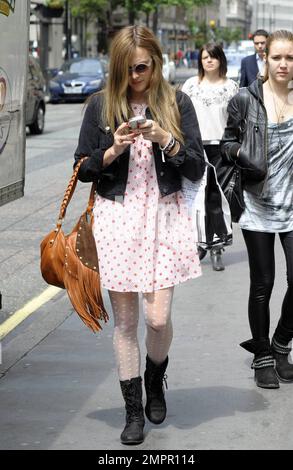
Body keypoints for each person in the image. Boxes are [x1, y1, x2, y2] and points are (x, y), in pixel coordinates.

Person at [74, 25, 205, 444]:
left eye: (142, 68)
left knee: (157, 317)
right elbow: (82, 169)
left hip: (164, 218)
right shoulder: (100, 105)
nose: (135, 77)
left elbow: (197, 167)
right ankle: (134, 413)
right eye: (127, 70)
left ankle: (155, 377)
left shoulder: (175, 101)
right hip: (118, 220)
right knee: (127, 322)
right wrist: (112, 149)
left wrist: (166, 139)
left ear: (156, 62)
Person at [221, 30, 293, 389]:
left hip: (292, 205)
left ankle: (281, 343)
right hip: (256, 205)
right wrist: (240, 154)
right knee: (262, 283)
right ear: (265, 58)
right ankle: (263, 355)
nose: (283, 63)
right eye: (278, 57)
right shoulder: (246, 100)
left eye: (290, 58)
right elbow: (226, 143)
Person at [182, 42, 239, 271]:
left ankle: (217, 247)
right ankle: (199, 244)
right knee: (196, 199)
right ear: (200, 61)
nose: (209, 61)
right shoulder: (190, 85)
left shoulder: (232, 87)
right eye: (205, 57)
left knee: (216, 199)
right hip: (195, 147)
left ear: (220, 60)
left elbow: (237, 121)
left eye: (213, 57)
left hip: (221, 149)